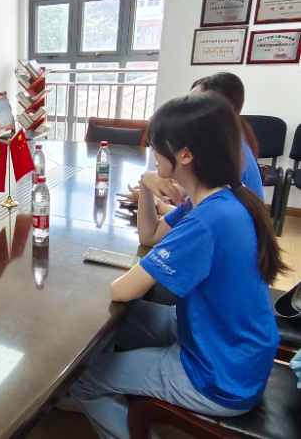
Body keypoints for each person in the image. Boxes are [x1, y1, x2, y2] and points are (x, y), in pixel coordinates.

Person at [68, 93, 287, 439]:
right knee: (107, 323)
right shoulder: (220, 197)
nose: (152, 151)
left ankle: (97, 391)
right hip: (226, 344)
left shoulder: (207, 220)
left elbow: (121, 290)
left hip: (219, 375)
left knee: (83, 378)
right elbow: (150, 233)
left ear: (185, 154)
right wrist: (146, 184)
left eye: (157, 144)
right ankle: (117, 385)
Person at [120, 72, 264, 215]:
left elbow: (199, 215)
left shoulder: (230, 152)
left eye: (196, 103)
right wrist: (158, 185)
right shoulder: (223, 143)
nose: (186, 111)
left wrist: (155, 203)